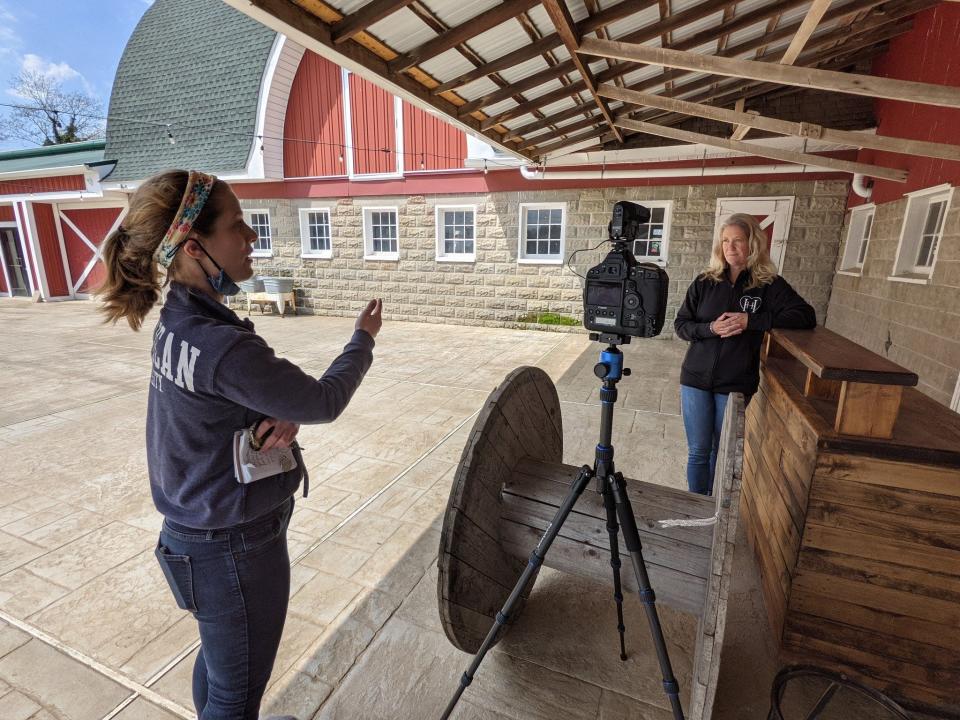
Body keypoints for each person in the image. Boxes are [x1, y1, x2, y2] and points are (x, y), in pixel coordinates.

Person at [97, 170, 383, 720]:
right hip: (233, 546)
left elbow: (208, 408)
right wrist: (362, 340)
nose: (251, 236)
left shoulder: (177, 323)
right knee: (235, 695)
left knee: (222, 668)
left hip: (194, 536)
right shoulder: (222, 345)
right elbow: (323, 401)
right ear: (193, 245)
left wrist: (264, 413)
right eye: (236, 224)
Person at [674, 213, 815, 495]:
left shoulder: (769, 284)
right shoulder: (705, 282)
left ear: (753, 244)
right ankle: (695, 506)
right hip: (695, 378)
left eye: (738, 241)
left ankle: (713, 510)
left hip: (735, 382)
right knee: (699, 451)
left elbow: (805, 316)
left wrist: (753, 321)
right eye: (725, 241)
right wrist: (711, 328)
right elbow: (681, 325)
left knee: (720, 451)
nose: (730, 247)